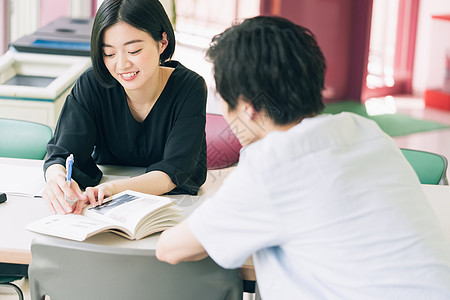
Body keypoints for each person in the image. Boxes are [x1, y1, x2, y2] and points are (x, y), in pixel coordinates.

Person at [156, 16, 450, 299]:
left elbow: (171, 249)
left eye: (224, 99)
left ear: (249, 108)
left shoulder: (273, 166)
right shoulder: (362, 129)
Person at [43, 0, 207, 215]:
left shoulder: (189, 87)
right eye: (109, 54)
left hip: (170, 207)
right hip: (99, 208)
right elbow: (63, 152)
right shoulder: (92, 84)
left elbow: (175, 170)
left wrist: (113, 190)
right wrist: (56, 179)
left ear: (162, 41)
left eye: (134, 50)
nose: (121, 65)